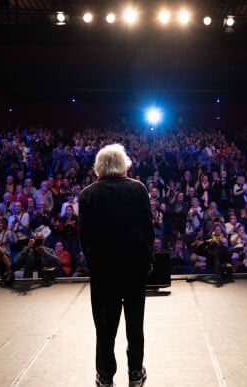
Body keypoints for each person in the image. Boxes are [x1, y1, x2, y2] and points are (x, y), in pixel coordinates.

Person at [79, 143, 154, 387]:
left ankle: (105, 375)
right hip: (134, 268)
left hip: (103, 271)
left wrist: (93, 264)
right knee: (135, 322)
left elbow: (85, 237)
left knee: (104, 325)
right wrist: (148, 260)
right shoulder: (138, 189)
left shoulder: (87, 194)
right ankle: (135, 373)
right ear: (124, 164)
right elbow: (148, 230)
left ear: (99, 166)